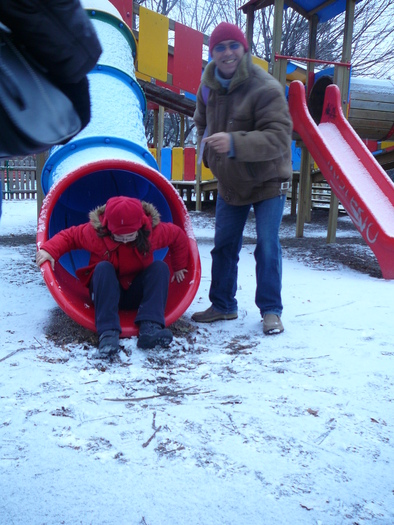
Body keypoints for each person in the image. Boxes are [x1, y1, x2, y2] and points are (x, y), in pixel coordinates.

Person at [192, 22, 293, 335]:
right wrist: (210, 155)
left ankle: (271, 311)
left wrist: (234, 143)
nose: (227, 53)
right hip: (232, 181)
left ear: (244, 49)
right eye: (220, 48)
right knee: (223, 245)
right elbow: (201, 124)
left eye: (233, 46)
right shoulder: (207, 86)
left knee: (266, 245)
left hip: (268, 181)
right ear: (212, 53)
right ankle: (223, 304)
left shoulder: (264, 87)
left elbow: (279, 138)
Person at [36, 196, 189, 357]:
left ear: (140, 227)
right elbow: (70, 236)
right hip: (105, 294)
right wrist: (49, 250)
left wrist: (179, 267)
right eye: (118, 236)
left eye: (130, 236)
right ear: (108, 228)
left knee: (160, 268)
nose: (124, 241)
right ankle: (108, 333)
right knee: (103, 268)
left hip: (136, 293)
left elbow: (177, 236)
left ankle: (151, 328)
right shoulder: (96, 233)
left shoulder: (151, 233)